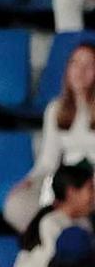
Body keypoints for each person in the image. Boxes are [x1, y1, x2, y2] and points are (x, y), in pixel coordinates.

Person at [7, 42, 95, 233]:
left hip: (89, 187)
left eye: (89, 65)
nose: (81, 70)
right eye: (75, 63)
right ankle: (55, 242)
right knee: (16, 204)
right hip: (67, 184)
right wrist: (30, 180)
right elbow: (48, 161)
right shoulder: (55, 110)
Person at [10, 159, 95, 267]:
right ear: (71, 192)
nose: (94, 196)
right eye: (90, 189)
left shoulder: (83, 223)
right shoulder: (51, 223)